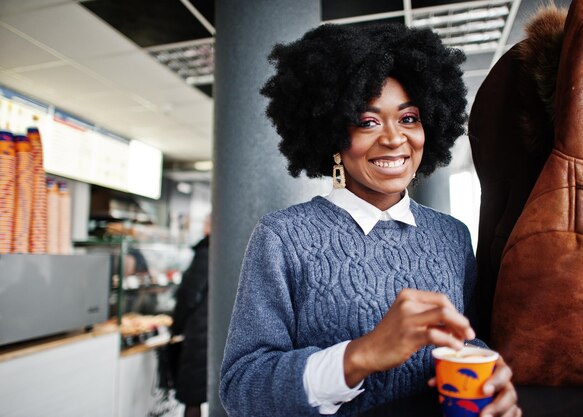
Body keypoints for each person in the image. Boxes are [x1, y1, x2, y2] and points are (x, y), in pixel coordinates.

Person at [220, 24, 520, 417]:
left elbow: (467, 341)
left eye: (409, 118)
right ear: (331, 134)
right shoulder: (282, 237)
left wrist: (492, 374)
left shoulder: (452, 236)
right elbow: (241, 386)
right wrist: (361, 355)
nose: (395, 138)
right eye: (368, 121)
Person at [171, 215, 211, 417]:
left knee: (192, 398)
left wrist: (175, 327)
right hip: (214, 333)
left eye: (206, 223)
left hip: (200, 335)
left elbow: (189, 294)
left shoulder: (206, 253)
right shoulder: (230, 251)